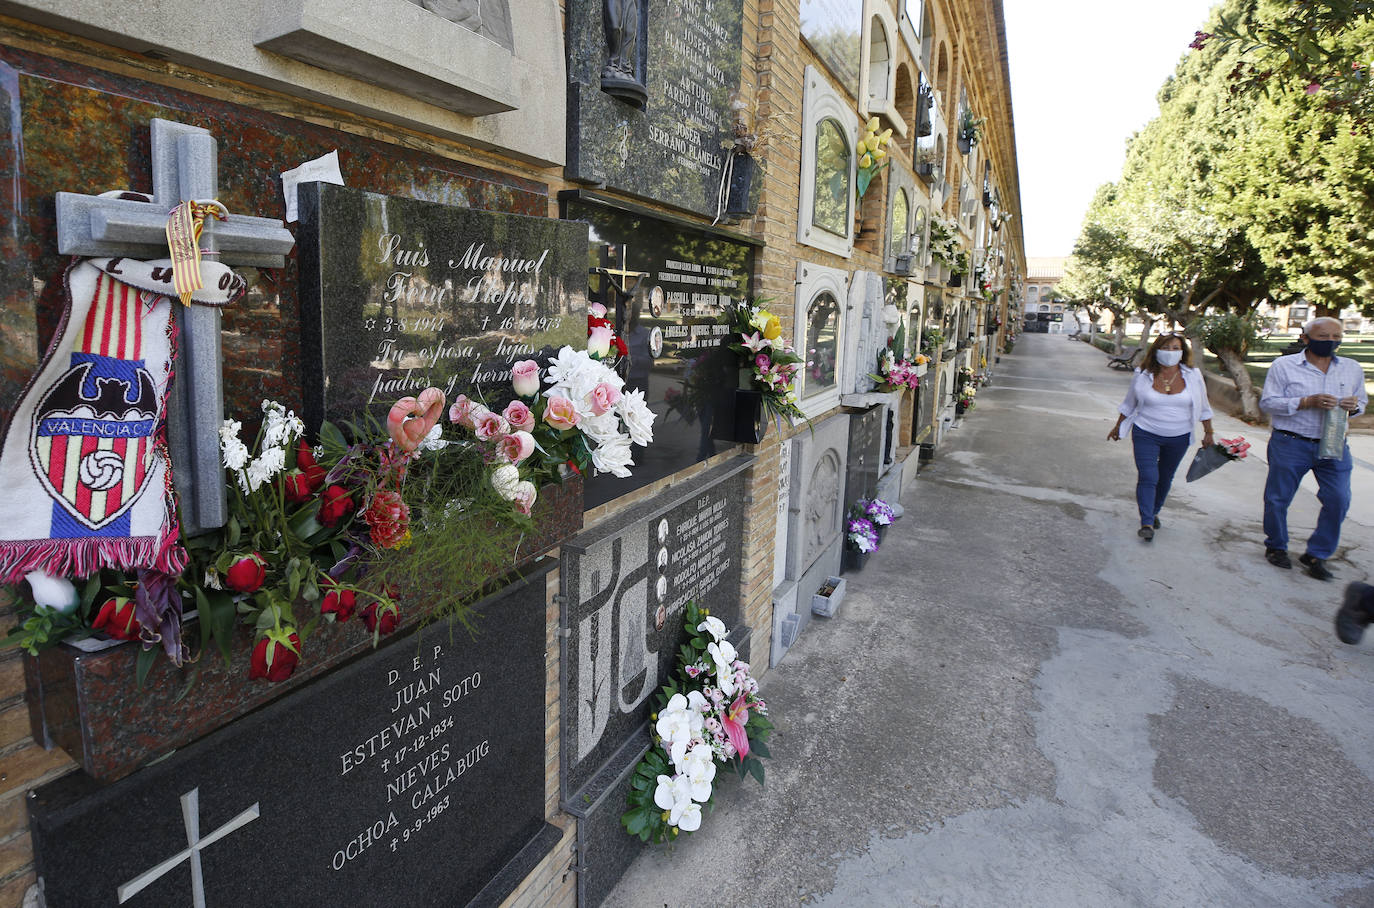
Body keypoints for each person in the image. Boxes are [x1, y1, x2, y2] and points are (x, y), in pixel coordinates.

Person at [1258, 316, 1367, 580]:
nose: (1330, 342)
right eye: (1323, 337)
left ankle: (1317, 553)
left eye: (1335, 337)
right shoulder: (1284, 366)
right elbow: (1268, 403)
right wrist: (1306, 401)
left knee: (1339, 499)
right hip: (1291, 442)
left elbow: (1361, 401)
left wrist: (1355, 407)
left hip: (1333, 444)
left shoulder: (1351, 368)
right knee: (1278, 499)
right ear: (1306, 339)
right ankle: (1276, 546)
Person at [1108, 332, 1215, 541]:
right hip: (1145, 432)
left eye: (1175, 348)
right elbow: (1129, 403)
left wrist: (1208, 432)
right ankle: (1146, 521)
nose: (1170, 353)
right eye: (1166, 348)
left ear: (1183, 352)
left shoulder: (1193, 376)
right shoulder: (1143, 373)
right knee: (1149, 476)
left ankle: (1154, 510)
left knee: (1165, 477)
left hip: (1179, 436)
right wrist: (1118, 426)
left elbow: (1203, 406)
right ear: (1156, 350)